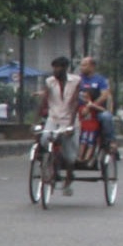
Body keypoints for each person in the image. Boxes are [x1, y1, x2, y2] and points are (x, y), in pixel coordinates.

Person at [37, 56, 83, 192]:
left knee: (69, 154)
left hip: (69, 119)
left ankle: (69, 175)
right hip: (53, 118)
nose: (56, 70)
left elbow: (75, 103)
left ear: (65, 68)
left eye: (59, 67)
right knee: (45, 139)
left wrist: (70, 125)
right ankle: (50, 165)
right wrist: (36, 121)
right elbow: (44, 100)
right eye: (54, 67)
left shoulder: (75, 81)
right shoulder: (49, 81)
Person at [78, 56, 116, 155]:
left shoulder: (101, 80)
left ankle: (110, 142)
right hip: (79, 110)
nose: (82, 67)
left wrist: (91, 106)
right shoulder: (77, 79)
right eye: (81, 65)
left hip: (96, 110)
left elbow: (104, 95)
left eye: (84, 65)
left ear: (92, 67)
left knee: (106, 117)